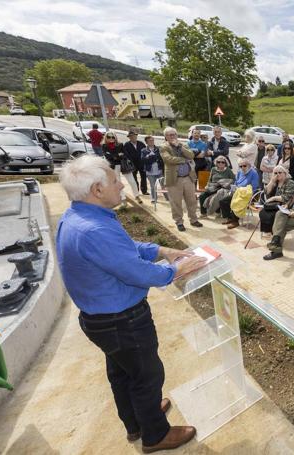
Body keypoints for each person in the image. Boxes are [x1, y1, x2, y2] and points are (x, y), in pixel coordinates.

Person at [56, 155, 206, 452]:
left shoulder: (81, 217)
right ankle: (155, 435)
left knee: (123, 373)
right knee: (147, 376)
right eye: (114, 180)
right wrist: (177, 269)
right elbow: (137, 272)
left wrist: (162, 250)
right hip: (122, 321)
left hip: (102, 320)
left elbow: (125, 249)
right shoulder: (94, 230)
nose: (121, 184)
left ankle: (137, 421)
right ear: (97, 190)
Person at [159, 127, 203, 232]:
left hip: (188, 178)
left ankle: (193, 219)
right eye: (170, 135)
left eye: (174, 134)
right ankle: (179, 222)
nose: (172, 136)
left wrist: (179, 146)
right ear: (166, 137)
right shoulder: (163, 147)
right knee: (176, 202)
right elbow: (168, 159)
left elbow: (191, 155)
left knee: (192, 201)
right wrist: (184, 160)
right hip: (174, 180)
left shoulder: (183, 144)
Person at [219, 158, 260, 229]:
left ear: (249, 165)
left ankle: (235, 221)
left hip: (247, 194)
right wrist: (234, 188)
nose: (242, 168)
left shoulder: (254, 173)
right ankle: (230, 218)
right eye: (240, 166)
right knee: (223, 201)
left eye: (244, 166)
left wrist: (242, 191)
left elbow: (254, 187)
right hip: (237, 192)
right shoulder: (239, 172)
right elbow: (236, 182)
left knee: (236, 202)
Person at [102, 132, 141, 204]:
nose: (111, 138)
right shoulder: (104, 146)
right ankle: (123, 198)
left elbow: (124, 155)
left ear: (115, 137)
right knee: (118, 182)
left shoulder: (120, 144)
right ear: (106, 137)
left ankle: (137, 195)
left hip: (124, 165)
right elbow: (108, 157)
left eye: (113, 137)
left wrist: (114, 156)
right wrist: (117, 155)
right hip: (113, 166)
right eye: (109, 137)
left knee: (132, 181)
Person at [259, 164, 294, 234]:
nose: (277, 174)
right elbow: (266, 192)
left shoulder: (290, 182)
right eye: (275, 173)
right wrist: (272, 181)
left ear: (285, 173)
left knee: (271, 214)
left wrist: (273, 198)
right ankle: (268, 230)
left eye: (280, 173)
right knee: (262, 212)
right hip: (274, 204)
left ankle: (273, 231)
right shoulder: (275, 182)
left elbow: (286, 197)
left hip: (284, 205)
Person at [124, 131, 148, 196]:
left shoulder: (141, 143)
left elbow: (145, 151)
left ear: (136, 136)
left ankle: (144, 191)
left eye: (134, 136)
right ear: (129, 138)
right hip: (132, 164)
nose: (133, 137)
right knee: (134, 178)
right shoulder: (126, 145)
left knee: (143, 177)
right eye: (131, 136)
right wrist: (130, 161)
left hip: (141, 163)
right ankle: (136, 191)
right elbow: (126, 154)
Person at [142, 136, 164, 204]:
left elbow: (160, 158)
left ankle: (168, 197)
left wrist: (150, 157)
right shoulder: (144, 150)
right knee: (152, 186)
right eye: (150, 141)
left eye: (152, 140)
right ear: (146, 142)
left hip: (159, 170)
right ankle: (154, 198)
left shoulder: (158, 148)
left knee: (163, 185)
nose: (152, 142)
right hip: (150, 172)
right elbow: (143, 160)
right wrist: (150, 157)